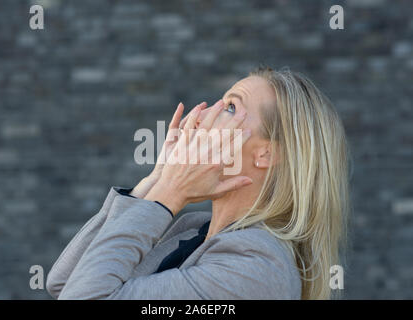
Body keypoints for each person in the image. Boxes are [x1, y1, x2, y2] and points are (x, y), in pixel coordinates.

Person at [46, 66, 350, 300]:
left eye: (230, 107)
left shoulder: (256, 268)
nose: (203, 114)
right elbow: (64, 281)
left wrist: (170, 194)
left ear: (266, 154)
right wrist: (159, 180)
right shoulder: (193, 230)